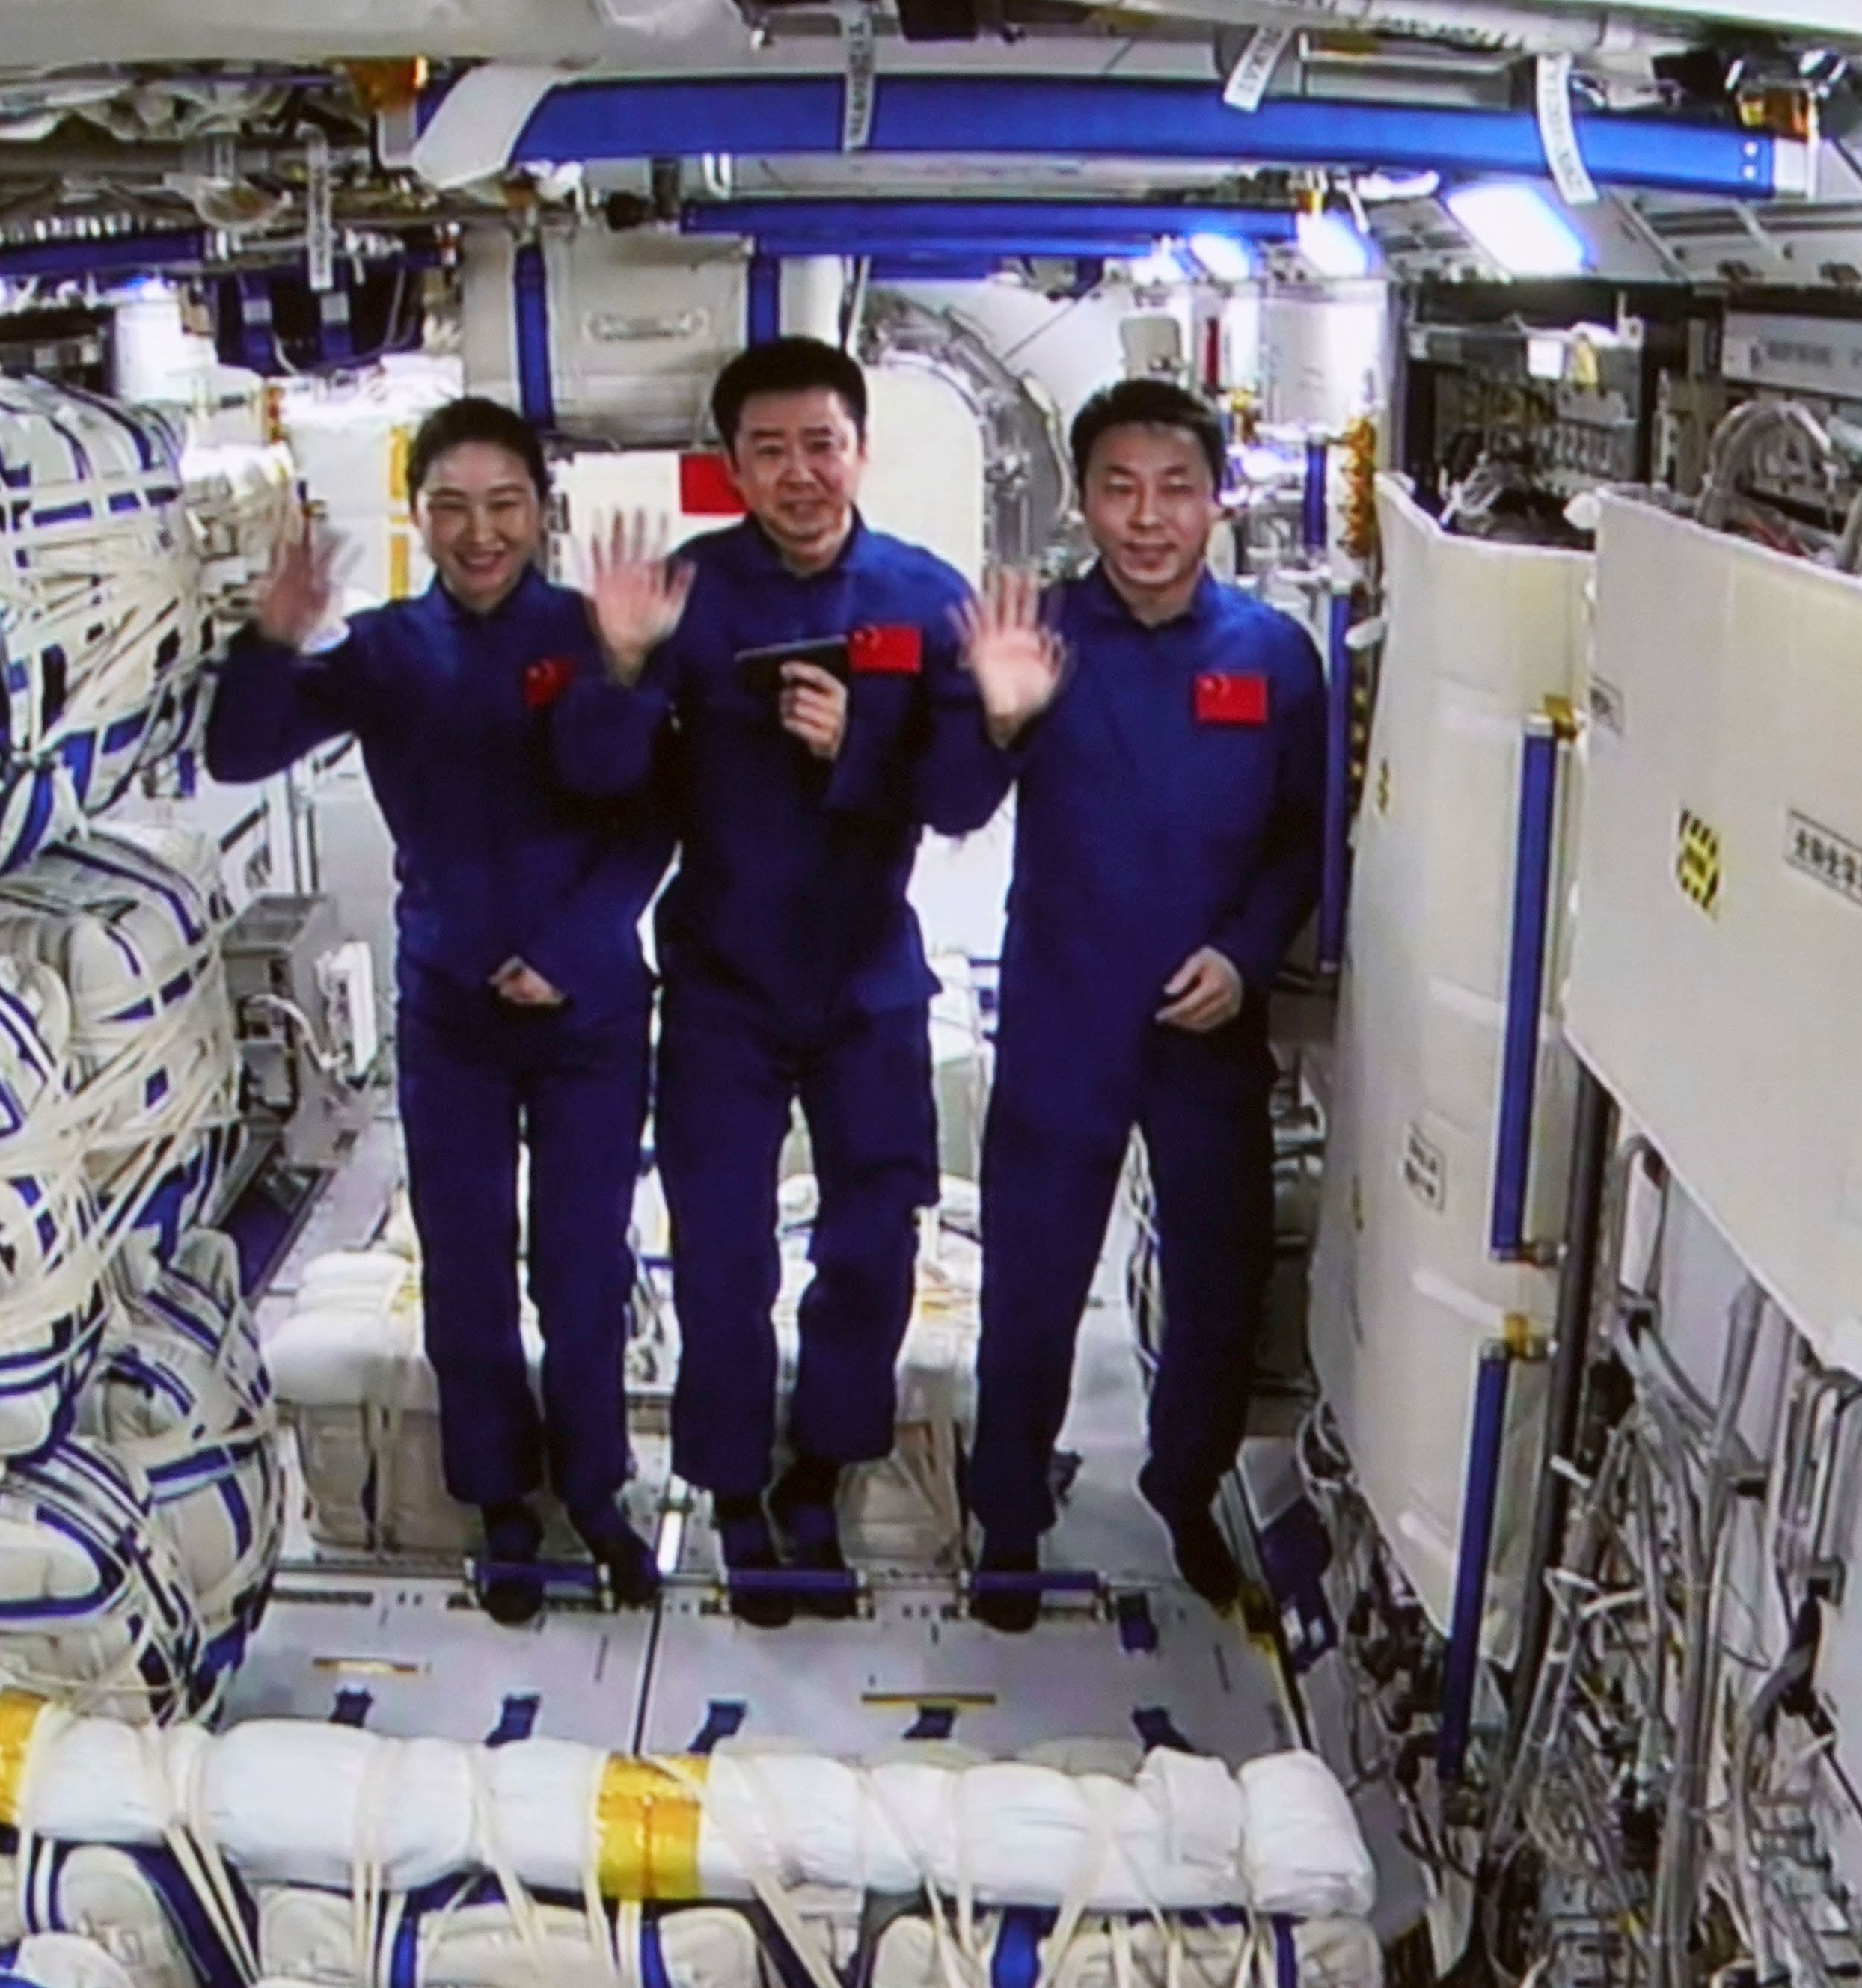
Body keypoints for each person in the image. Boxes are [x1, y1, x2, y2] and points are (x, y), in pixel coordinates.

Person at [205, 396, 672, 1622]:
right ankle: (500, 1504)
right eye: (453, 507)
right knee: (464, 1269)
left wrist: (570, 950)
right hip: (451, 1015)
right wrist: (271, 638)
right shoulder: (387, 651)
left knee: (580, 1268)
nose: (480, 532)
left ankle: (596, 1492)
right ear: (418, 515)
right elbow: (238, 754)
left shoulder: (599, 632)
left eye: (505, 505)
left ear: (542, 514)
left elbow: (648, 816)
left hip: (587, 1013)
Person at [560, 337, 988, 1627]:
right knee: (722, 1255)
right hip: (723, 985)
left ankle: (821, 1473)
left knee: (873, 1243)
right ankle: (734, 1489)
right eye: (770, 451)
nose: (799, 474)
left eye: (821, 445)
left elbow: (962, 796)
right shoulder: (685, 597)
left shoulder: (925, 598)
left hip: (867, 983)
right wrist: (620, 665)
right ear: (732, 466)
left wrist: (862, 746)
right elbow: (601, 779)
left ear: (860, 450)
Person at [932, 378, 1328, 1633]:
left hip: (1209, 1029)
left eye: (1176, 489)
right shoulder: (1040, 637)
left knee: (1217, 1283)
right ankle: (1007, 1518)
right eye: (1120, 489)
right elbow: (949, 805)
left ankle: (1186, 1488)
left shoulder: (1274, 657)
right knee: (1033, 1284)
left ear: (1217, 500)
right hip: (1067, 1014)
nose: (1148, 519)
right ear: (1083, 501)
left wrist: (1245, 957)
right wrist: (998, 716)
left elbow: (1306, 842)